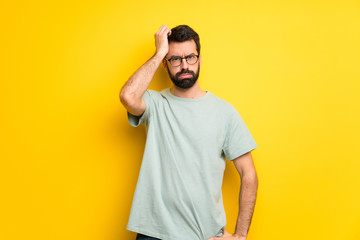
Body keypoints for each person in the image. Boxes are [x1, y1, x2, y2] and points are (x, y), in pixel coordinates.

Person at [119, 24, 258, 240]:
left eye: (190, 57)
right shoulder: (156, 103)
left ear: (200, 59)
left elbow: (249, 174)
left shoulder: (224, 112)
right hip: (155, 234)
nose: (184, 65)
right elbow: (128, 96)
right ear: (166, 65)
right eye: (175, 59)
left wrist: (240, 235)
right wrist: (158, 54)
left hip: (204, 235)